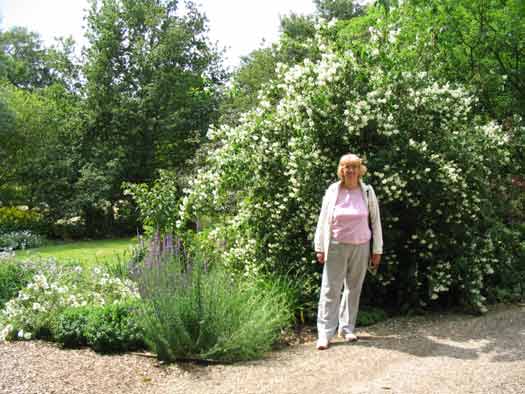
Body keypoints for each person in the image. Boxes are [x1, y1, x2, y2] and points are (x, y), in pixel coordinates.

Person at [314, 153, 383, 350]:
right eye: (346, 167)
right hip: (336, 245)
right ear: (341, 170)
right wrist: (319, 247)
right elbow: (323, 219)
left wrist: (377, 249)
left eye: (354, 167)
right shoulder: (333, 191)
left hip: (361, 246)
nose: (350, 171)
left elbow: (376, 222)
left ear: (360, 170)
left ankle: (346, 328)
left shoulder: (367, 192)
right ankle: (325, 333)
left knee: (354, 288)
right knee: (330, 289)